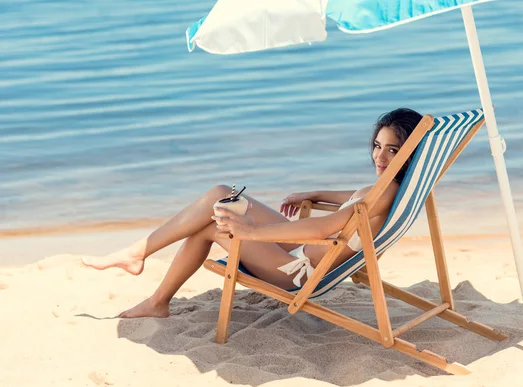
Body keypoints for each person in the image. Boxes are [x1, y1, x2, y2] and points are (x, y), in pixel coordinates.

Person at [81, 108, 423, 318]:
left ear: (408, 153)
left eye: (393, 150)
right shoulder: (387, 189)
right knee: (221, 194)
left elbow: (325, 229)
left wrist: (250, 231)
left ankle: (154, 294)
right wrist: (314, 193)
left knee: (211, 225)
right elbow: (354, 199)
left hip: (294, 272)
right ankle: (138, 257)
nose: (380, 157)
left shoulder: (386, 192)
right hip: (295, 253)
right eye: (377, 146)